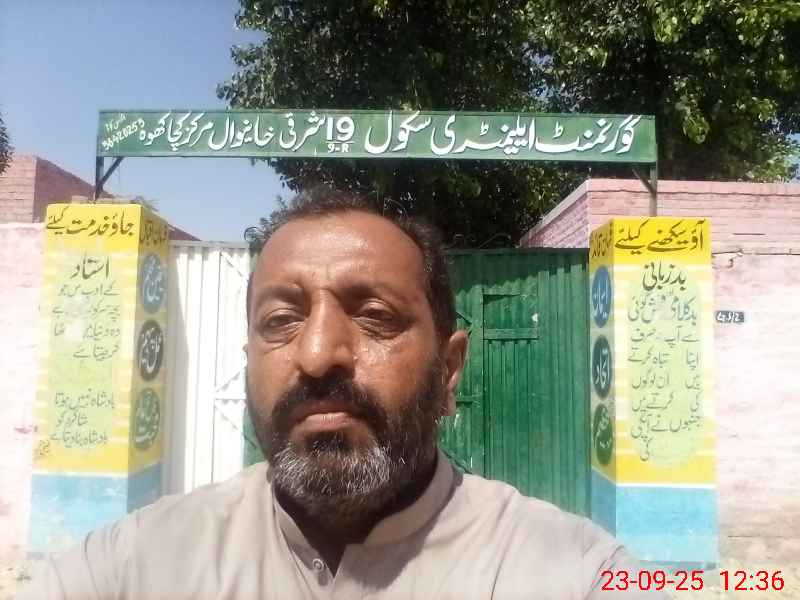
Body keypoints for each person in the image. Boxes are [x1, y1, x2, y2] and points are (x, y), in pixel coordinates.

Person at [21, 187, 664, 599]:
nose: (317, 353)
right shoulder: (134, 565)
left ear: (448, 370)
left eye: (375, 316)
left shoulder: (572, 571)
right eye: (281, 320)